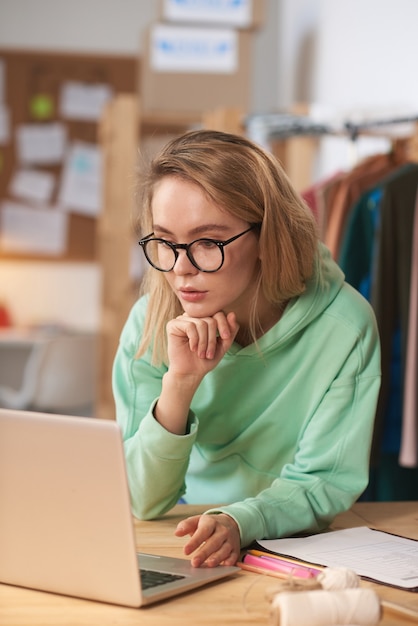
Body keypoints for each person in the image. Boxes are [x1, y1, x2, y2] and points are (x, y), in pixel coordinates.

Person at [112, 129, 381, 569]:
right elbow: (143, 500)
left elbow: (325, 482)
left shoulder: (344, 326)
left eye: (207, 243)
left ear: (267, 236)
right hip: (175, 541)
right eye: (166, 241)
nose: (181, 270)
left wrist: (241, 521)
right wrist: (179, 385)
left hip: (294, 547)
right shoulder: (150, 321)